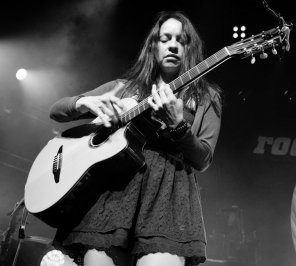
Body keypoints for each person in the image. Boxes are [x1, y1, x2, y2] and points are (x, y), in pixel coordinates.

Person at [45, 10, 222, 266]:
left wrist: (178, 125)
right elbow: (57, 110)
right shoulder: (125, 87)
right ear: (153, 46)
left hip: (167, 196)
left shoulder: (206, 96)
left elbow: (203, 159)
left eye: (181, 40)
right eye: (165, 38)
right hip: (114, 193)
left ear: (190, 48)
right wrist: (86, 102)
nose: (173, 45)